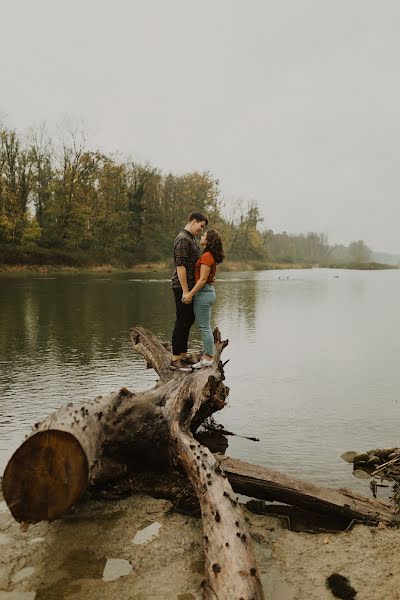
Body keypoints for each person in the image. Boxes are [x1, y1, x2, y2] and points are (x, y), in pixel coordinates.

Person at [170, 211, 208, 371]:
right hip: (182, 287)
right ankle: (175, 359)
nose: (201, 229)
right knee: (182, 321)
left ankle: (183, 355)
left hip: (190, 287)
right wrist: (186, 291)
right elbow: (181, 266)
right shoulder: (182, 239)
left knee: (187, 320)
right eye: (201, 225)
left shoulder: (190, 238)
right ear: (194, 221)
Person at [182, 229, 224, 369]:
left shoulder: (207, 256)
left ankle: (208, 357)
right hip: (207, 292)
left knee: (205, 327)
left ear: (209, 240)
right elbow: (207, 277)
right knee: (205, 326)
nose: (202, 236)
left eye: (204, 235)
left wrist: (190, 294)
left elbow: (203, 279)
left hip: (203, 294)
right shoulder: (208, 255)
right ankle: (208, 356)